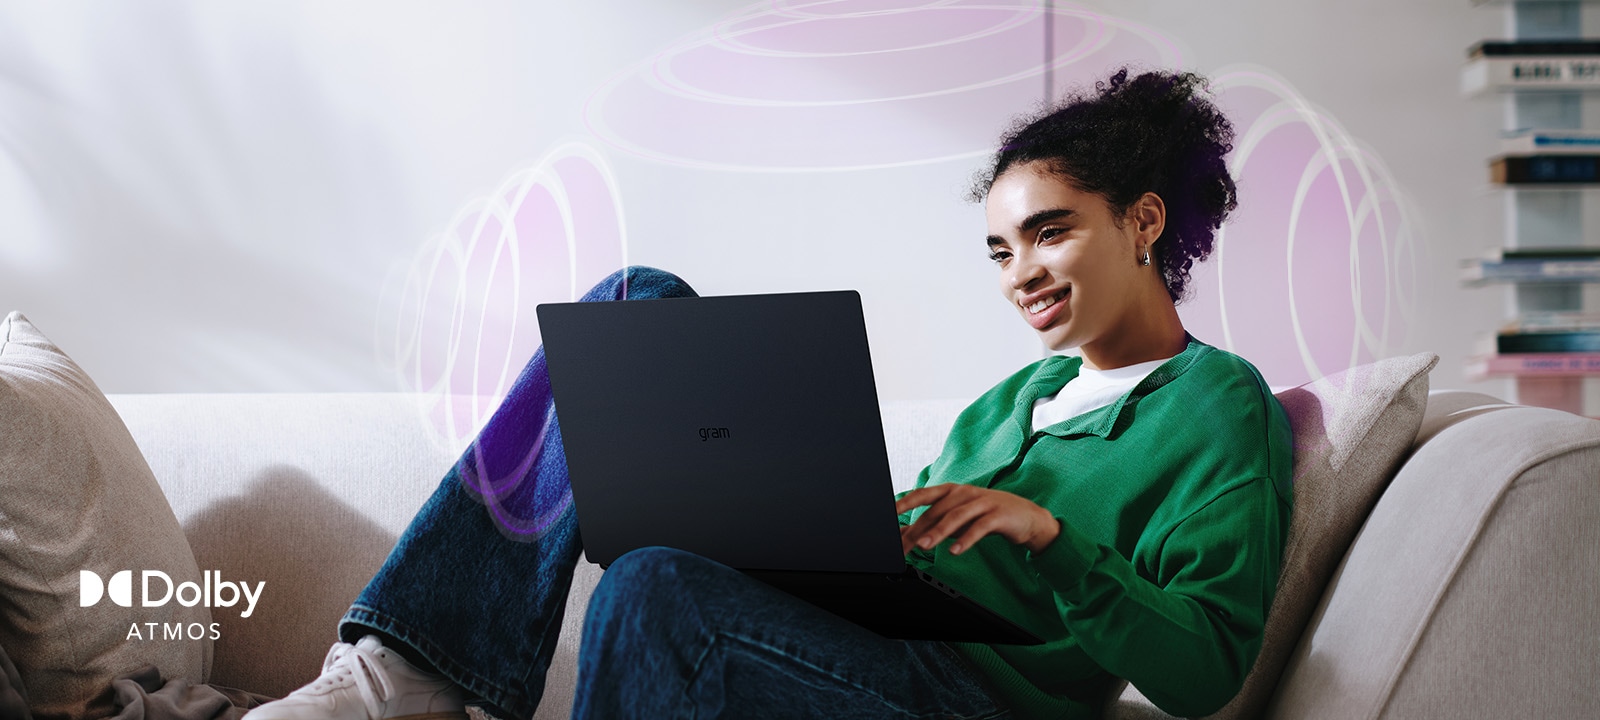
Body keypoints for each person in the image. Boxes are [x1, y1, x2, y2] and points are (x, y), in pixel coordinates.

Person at [244, 66, 1293, 720]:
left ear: (1144, 221)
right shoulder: (1011, 399)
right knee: (630, 301)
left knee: (655, 586)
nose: (1019, 272)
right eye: (997, 249)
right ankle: (408, 670)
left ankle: (419, 681)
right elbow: (913, 558)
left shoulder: (1216, 406)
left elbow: (1204, 673)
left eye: (1049, 232)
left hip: (961, 701)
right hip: (869, 648)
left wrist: (1050, 538)